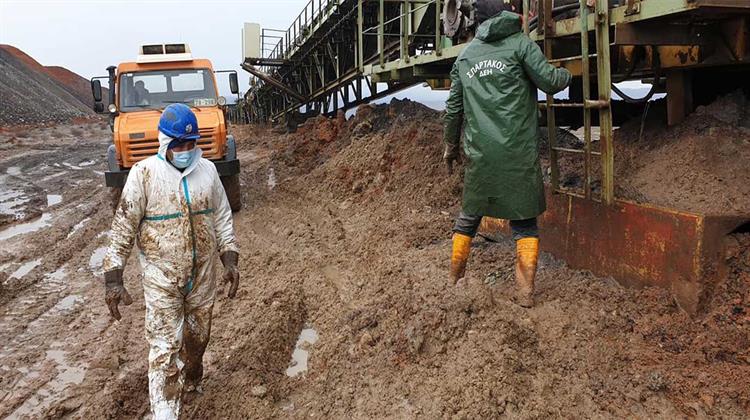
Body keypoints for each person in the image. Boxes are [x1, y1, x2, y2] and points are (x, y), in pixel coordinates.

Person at [102, 103, 240, 419]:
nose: (186, 150)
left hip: (202, 277)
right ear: (165, 142)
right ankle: (165, 413)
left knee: (198, 337)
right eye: (180, 144)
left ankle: (194, 374)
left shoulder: (208, 171)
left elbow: (221, 215)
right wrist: (113, 277)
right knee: (164, 351)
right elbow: (123, 225)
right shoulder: (144, 175)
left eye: (192, 144)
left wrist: (229, 258)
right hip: (161, 278)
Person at [443, 6, 572, 307]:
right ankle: (525, 293)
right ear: (508, 13)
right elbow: (551, 82)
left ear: (478, 19)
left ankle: (453, 280)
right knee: (524, 224)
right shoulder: (521, 45)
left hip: (481, 155)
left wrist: (450, 147)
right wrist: (568, 73)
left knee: (469, 217)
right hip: (517, 153)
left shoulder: (465, 56)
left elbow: (453, 110)